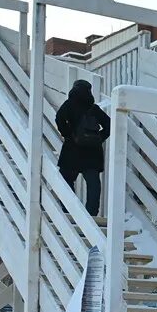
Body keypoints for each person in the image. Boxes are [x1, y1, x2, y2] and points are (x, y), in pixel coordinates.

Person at [55, 80, 111, 216]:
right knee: (93, 185)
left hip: (72, 150)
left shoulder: (69, 105)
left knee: (66, 180)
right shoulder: (94, 109)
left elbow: (59, 119)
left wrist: (68, 134)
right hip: (93, 152)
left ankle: (69, 211)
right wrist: (99, 138)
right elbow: (109, 125)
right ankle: (91, 215)